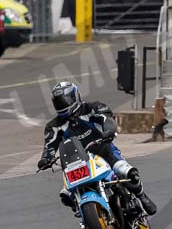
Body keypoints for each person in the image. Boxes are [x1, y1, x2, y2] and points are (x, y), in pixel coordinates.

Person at [37, 81, 157, 215]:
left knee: (128, 173)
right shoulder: (53, 126)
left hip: (104, 151)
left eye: (65, 100)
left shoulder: (93, 108)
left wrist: (109, 131)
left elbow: (107, 119)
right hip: (77, 162)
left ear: (75, 96)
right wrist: (46, 159)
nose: (63, 104)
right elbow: (49, 145)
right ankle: (81, 210)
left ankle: (141, 196)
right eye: (59, 102)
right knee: (65, 194)